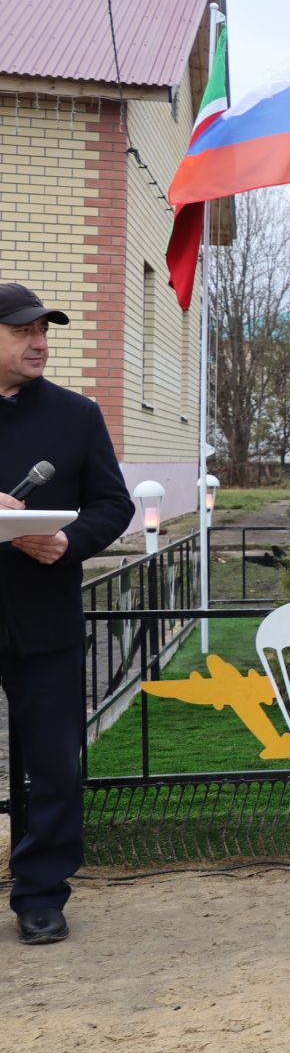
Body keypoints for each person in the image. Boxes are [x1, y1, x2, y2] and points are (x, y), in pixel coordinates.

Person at [0, 283, 134, 945]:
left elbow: (114, 505)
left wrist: (67, 541)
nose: (39, 342)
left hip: (43, 620)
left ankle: (41, 894)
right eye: (22, 331)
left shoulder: (76, 415)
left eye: (43, 330)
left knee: (55, 764)